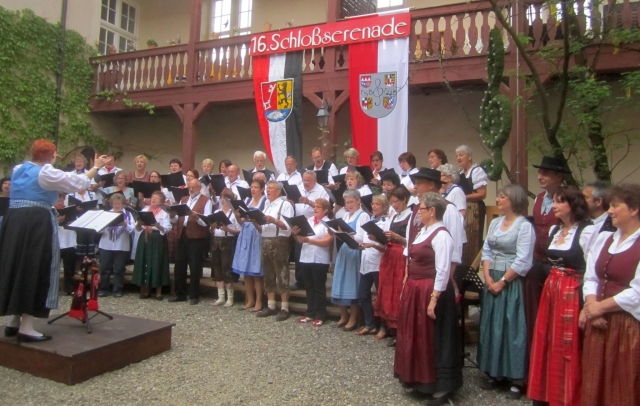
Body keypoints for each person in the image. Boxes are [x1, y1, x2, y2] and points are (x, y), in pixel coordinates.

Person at [0, 139, 108, 342]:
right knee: (35, 266)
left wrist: (48, 159)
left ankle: (14, 321)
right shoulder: (46, 172)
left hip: (14, 219)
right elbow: (78, 182)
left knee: (17, 265)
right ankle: (26, 326)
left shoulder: (19, 169)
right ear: (50, 155)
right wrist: (96, 167)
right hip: (35, 221)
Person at [528, 186, 597, 405]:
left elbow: (592, 269)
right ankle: (547, 393)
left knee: (568, 343)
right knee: (547, 338)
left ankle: (568, 396)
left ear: (573, 205)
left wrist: (588, 304)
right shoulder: (555, 230)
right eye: (554, 201)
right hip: (552, 289)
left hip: (572, 292)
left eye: (560, 202)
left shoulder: (587, 231)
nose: (554, 206)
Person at [394, 192, 462, 405]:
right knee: (417, 335)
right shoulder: (423, 231)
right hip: (416, 290)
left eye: (421, 209)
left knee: (434, 337)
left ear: (432, 211)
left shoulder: (441, 235)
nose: (418, 213)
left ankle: (440, 386)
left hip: (431, 290)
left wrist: (433, 299)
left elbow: (442, 270)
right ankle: (419, 379)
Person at [579, 184, 640, 406]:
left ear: (633, 209)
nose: (610, 211)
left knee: (623, 384)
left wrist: (599, 308)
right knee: (594, 381)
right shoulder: (605, 239)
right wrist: (591, 305)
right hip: (599, 322)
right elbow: (591, 277)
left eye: (615, 206)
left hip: (628, 325)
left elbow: (638, 291)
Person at [477, 184, 535, 400]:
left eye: (502, 197)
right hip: (492, 276)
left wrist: (502, 282)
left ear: (514, 200)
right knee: (493, 325)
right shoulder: (495, 223)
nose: (498, 200)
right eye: (499, 196)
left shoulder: (524, 226)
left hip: (512, 281)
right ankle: (494, 371)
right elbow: (487, 249)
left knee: (512, 327)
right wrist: (487, 275)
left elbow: (524, 259)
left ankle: (516, 378)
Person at [525, 156, 568, 357]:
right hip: (536, 260)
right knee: (535, 309)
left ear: (559, 176)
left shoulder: (567, 198)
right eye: (539, 172)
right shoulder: (540, 198)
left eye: (545, 173)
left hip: (555, 263)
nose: (540, 176)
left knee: (555, 310)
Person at [374, 186, 411, 341]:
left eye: (396, 202)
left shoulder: (411, 216)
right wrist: (377, 237)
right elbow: (386, 239)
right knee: (386, 289)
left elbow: (411, 241)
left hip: (401, 256)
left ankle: (399, 329)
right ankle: (386, 325)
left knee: (398, 290)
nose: (394, 205)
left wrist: (398, 238)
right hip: (389, 255)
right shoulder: (393, 217)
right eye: (392, 202)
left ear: (404, 200)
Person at [331, 189, 370, 330]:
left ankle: (353, 318)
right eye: (346, 202)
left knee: (352, 284)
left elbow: (361, 237)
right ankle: (343, 316)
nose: (349, 205)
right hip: (344, 250)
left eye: (351, 202)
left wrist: (346, 234)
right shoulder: (346, 215)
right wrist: (338, 233)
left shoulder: (363, 216)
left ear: (358, 201)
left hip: (355, 251)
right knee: (339, 281)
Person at [169, 179, 212, 305]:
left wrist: (197, 217)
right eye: (190, 187)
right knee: (179, 266)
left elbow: (207, 222)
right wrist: (172, 215)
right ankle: (180, 294)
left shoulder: (206, 200)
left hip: (197, 237)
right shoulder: (184, 199)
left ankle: (194, 295)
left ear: (199, 188)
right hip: (183, 234)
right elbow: (176, 219)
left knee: (195, 267)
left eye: (194, 187)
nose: (191, 189)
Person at [255, 181, 295, 321]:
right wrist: (255, 221)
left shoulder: (285, 205)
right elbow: (262, 229)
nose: (268, 190)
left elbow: (288, 227)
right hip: (265, 240)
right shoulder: (266, 204)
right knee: (268, 273)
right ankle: (271, 305)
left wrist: (273, 220)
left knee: (281, 273)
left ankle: (285, 307)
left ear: (278, 191)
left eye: (270, 188)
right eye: (267, 188)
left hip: (279, 241)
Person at [292, 198, 333, 327]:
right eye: (314, 206)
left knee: (319, 287)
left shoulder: (328, 223)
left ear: (325, 210)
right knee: (309, 286)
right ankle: (309, 312)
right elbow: (300, 240)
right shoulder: (308, 221)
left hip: (319, 259)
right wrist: (295, 234)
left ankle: (320, 314)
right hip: (306, 257)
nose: (315, 209)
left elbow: (327, 241)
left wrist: (309, 240)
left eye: (318, 207)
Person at [289, 170, 330, 291]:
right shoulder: (299, 188)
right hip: (300, 222)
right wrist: (290, 203)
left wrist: (309, 202)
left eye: (308, 180)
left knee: (308, 247)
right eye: (304, 180)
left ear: (315, 180)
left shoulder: (321, 190)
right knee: (299, 253)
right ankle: (300, 280)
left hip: (315, 223)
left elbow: (325, 206)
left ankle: (308, 282)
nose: (305, 182)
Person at [357, 194, 389, 336]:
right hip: (366, 262)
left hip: (378, 263)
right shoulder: (369, 221)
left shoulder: (387, 222)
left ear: (384, 207)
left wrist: (373, 243)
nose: (374, 206)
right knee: (363, 294)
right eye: (372, 204)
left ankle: (383, 326)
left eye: (377, 204)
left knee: (381, 296)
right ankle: (369, 324)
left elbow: (386, 245)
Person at [232, 179, 266, 311]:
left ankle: (259, 301)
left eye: (256, 187)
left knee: (256, 270)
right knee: (246, 269)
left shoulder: (264, 202)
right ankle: (250, 299)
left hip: (256, 234)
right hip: (245, 234)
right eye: (251, 187)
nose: (253, 189)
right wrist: (237, 216)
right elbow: (242, 222)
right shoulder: (246, 201)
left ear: (262, 189)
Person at [132, 191, 172, 300]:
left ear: (161, 202)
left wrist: (158, 226)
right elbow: (137, 229)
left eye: (156, 198)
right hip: (145, 237)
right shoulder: (144, 210)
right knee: (144, 260)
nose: (153, 199)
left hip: (157, 238)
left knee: (157, 262)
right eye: (152, 197)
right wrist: (139, 224)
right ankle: (144, 290)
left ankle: (158, 292)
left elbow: (168, 228)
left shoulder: (163, 213)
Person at [455, 145, 488, 266]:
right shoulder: (460, 173)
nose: (458, 158)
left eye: (461, 155)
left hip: (474, 209)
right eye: (457, 156)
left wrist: (463, 197)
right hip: (463, 208)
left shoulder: (476, 171)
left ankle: (471, 267)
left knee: (472, 238)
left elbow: (482, 194)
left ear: (470, 156)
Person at [97, 194, 135, 298]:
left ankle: (117, 289)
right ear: (111, 204)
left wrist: (125, 224)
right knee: (105, 268)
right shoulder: (106, 214)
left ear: (123, 204)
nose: (117, 206)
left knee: (119, 269)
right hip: (106, 245)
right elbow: (98, 230)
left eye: (119, 203)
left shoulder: (128, 214)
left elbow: (132, 229)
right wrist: (104, 225)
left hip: (121, 245)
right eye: (115, 204)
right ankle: (103, 289)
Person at [210, 189, 240, 308]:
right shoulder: (217, 211)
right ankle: (221, 296)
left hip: (228, 240)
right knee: (217, 267)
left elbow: (238, 230)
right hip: (216, 240)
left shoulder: (234, 213)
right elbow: (211, 231)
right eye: (222, 198)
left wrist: (228, 229)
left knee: (226, 268)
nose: (223, 200)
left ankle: (230, 298)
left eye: (226, 198)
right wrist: (212, 227)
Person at [54, 192, 76, 296]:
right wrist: (57, 221)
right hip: (56, 243)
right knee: (54, 268)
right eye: (58, 200)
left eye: (62, 200)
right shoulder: (51, 211)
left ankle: (69, 288)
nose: (60, 202)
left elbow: (78, 223)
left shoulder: (69, 210)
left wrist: (72, 223)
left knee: (69, 268)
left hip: (69, 242)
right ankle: (54, 288)